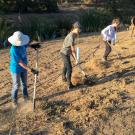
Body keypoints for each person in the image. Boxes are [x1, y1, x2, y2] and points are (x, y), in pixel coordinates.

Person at [8, 31, 39, 108]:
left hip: (24, 67)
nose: (21, 44)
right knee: (16, 85)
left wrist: (33, 45)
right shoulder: (13, 50)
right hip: (16, 69)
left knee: (24, 83)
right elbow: (20, 62)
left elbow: (27, 44)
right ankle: (14, 101)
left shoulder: (22, 44)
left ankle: (26, 97)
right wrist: (31, 70)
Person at [60, 22, 81, 90]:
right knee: (69, 68)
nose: (79, 30)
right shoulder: (71, 36)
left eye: (80, 29)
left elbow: (72, 49)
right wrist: (76, 59)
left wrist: (75, 59)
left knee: (66, 66)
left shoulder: (74, 35)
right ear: (75, 28)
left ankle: (63, 77)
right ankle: (69, 85)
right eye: (78, 29)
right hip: (64, 53)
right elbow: (72, 49)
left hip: (67, 52)